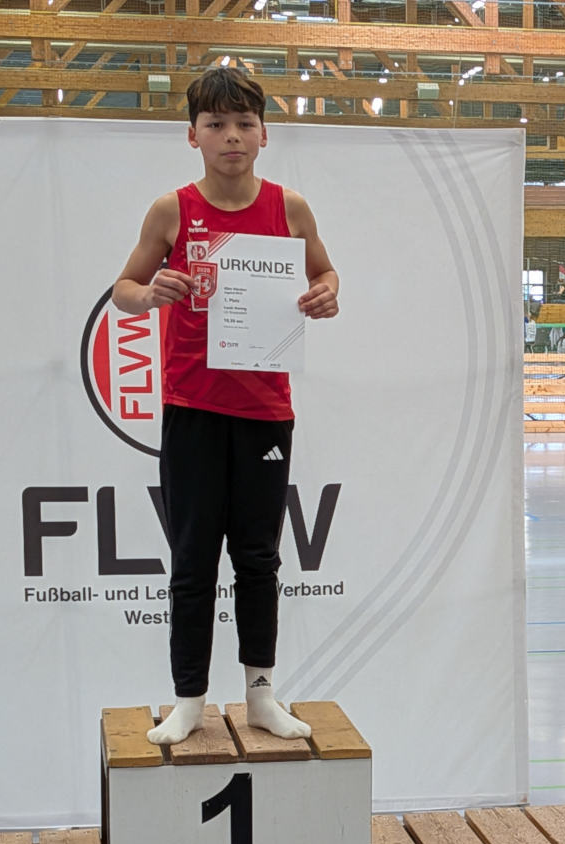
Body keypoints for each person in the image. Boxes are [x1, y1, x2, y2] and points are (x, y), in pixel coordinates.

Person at [111, 65, 338, 746]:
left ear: (264, 132)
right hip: (192, 407)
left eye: (244, 123)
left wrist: (327, 292)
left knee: (259, 559)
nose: (231, 136)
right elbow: (124, 286)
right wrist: (150, 295)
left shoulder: (289, 209)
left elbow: (325, 273)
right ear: (193, 135)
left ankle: (262, 692)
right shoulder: (172, 211)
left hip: (266, 409)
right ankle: (188, 698)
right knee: (191, 557)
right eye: (216, 124)